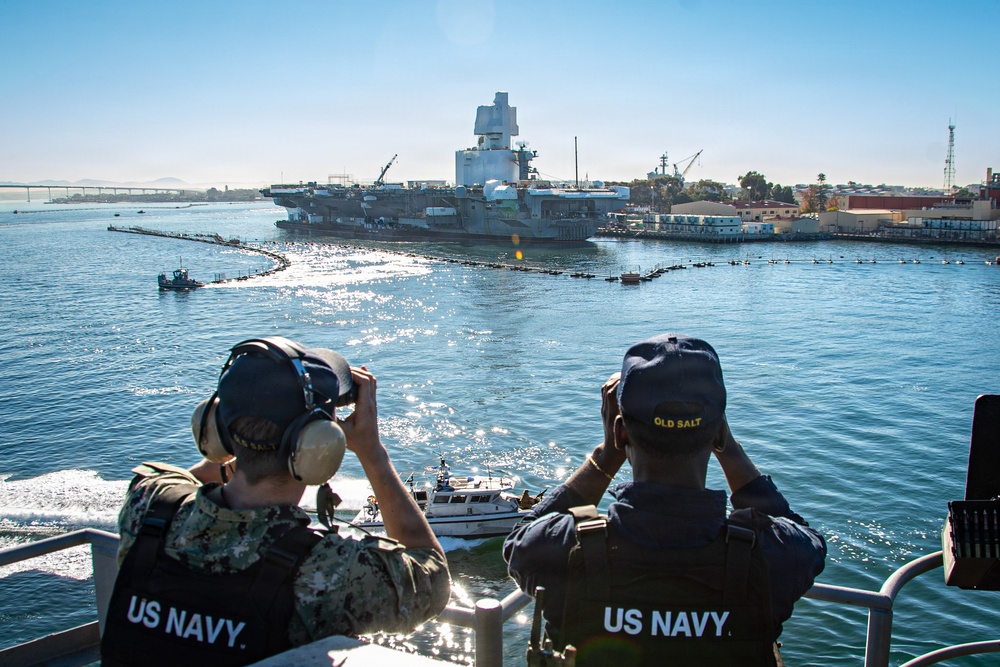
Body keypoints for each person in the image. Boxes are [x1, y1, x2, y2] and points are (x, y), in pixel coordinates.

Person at [101, 336, 450, 666]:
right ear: (320, 444)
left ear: (215, 427)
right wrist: (373, 454)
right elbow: (432, 579)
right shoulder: (328, 570)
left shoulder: (149, 507)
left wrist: (240, 438)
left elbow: (184, 480)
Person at [504, 334, 826, 666]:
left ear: (620, 433)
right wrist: (728, 448)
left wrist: (607, 455)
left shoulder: (563, 551)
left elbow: (519, 540)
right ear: (718, 432)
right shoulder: (773, 557)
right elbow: (809, 543)